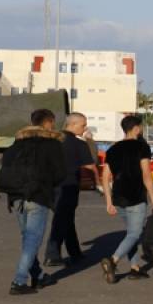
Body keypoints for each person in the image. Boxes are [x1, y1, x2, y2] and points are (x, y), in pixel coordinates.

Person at [2, 109, 67, 295]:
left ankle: (38, 276)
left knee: (27, 238)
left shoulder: (17, 143)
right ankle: (19, 281)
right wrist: (48, 183)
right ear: (48, 122)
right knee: (33, 240)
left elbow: (5, 166)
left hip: (16, 197)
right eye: (52, 123)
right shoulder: (52, 144)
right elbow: (60, 173)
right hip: (39, 195)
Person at [100, 115, 153, 283]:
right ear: (136, 128)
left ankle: (135, 268)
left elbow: (105, 177)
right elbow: (146, 174)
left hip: (118, 197)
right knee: (135, 233)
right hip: (136, 196)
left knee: (130, 234)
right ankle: (113, 260)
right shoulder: (142, 147)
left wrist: (108, 202)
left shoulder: (112, 149)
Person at [44, 113, 100, 267]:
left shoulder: (51, 141)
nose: (85, 128)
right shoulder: (78, 144)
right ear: (73, 124)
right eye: (83, 125)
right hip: (68, 185)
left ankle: (75, 252)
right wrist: (98, 183)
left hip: (49, 186)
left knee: (66, 218)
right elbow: (90, 165)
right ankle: (52, 255)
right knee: (62, 219)